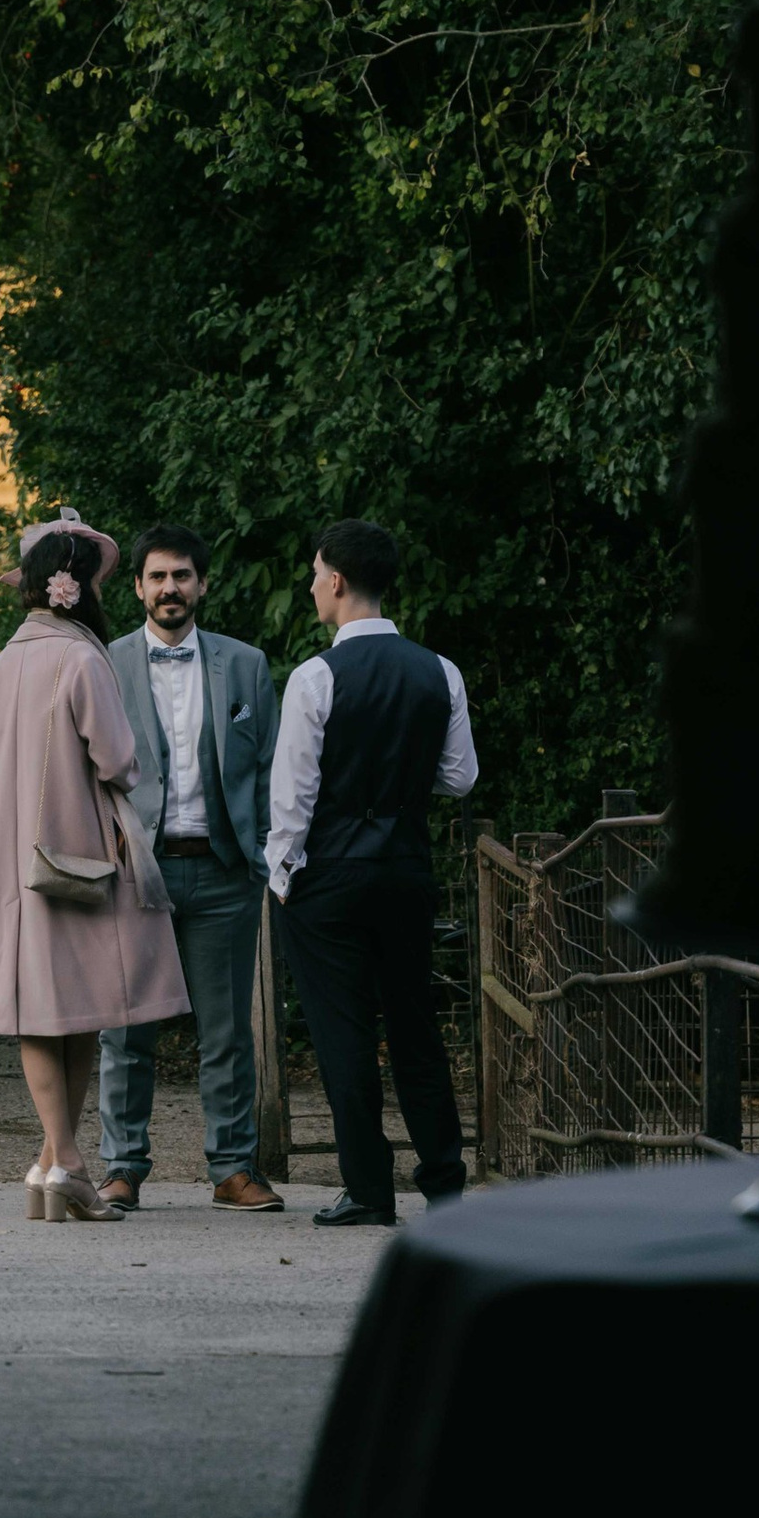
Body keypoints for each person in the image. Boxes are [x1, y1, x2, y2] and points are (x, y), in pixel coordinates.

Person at [0, 508, 188, 1220]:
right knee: (85, 1008)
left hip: (8, 864)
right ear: (81, 588)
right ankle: (66, 1160)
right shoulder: (83, 659)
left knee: (40, 1008)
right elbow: (117, 759)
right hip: (78, 859)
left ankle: (48, 1164)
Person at [266, 517, 478, 1228]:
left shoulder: (315, 677)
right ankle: (446, 1183)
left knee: (343, 1033)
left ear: (336, 580)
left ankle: (369, 1190)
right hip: (406, 870)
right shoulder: (439, 671)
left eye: (314, 572)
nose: (311, 584)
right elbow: (459, 778)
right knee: (415, 1027)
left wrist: (282, 876)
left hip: (328, 877)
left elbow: (291, 799)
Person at [97, 522, 283, 1214]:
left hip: (223, 872)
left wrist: (262, 853)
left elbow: (267, 767)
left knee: (228, 1033)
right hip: (136, 876)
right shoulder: (106, 663)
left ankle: (233, 1167)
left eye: (182, 576)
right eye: (157, 577)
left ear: (202, 584)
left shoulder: (245, 665)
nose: (169, 588)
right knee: (125, 1030)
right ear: (138, 586)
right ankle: (122, 1168)